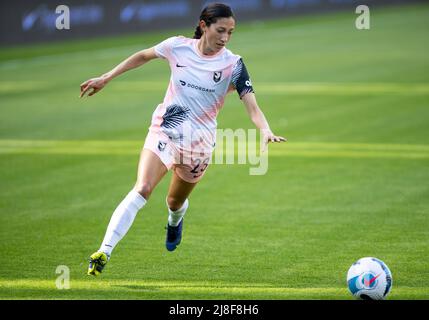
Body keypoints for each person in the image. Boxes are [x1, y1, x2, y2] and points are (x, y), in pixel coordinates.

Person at [81, 3, 286, 276]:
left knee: (174, 202)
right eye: (220, 30)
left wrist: (265, 130)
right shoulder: (177, 46)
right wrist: (106, 77)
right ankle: (104, 251)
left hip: (199, 144)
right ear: (204, 26)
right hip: (165, 130)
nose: (225, 38)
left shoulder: (233, 65)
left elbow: (251, 104)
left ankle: (174, 221)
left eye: (231, 33)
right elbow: (143, 55)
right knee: (142, 188)